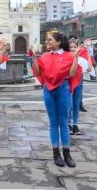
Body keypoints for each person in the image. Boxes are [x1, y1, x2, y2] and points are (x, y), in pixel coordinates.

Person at [31, 33, 82, 168]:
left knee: (64, 122)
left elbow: (72, 74)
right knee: (53, 122)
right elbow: (38, 72)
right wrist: (33, 58)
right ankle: (55, 153)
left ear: (58, 42)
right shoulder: (44, 56)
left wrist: (76, 57)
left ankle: (66, 153)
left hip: (63, 89)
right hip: (48, 90)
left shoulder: (69, 56)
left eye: (50, 40)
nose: (47, 41)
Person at [68, 40, 92, 135]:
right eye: (71, 47)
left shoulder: (81, 59)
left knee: (76, 103)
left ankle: (75, 124)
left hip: (78, 81)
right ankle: (68, 123)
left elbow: (89, 68)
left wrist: (88, 54)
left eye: (75, 47)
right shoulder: (66, 58)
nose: (73, 49)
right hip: (68, 82)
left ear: (78, 47)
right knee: (68, 103)